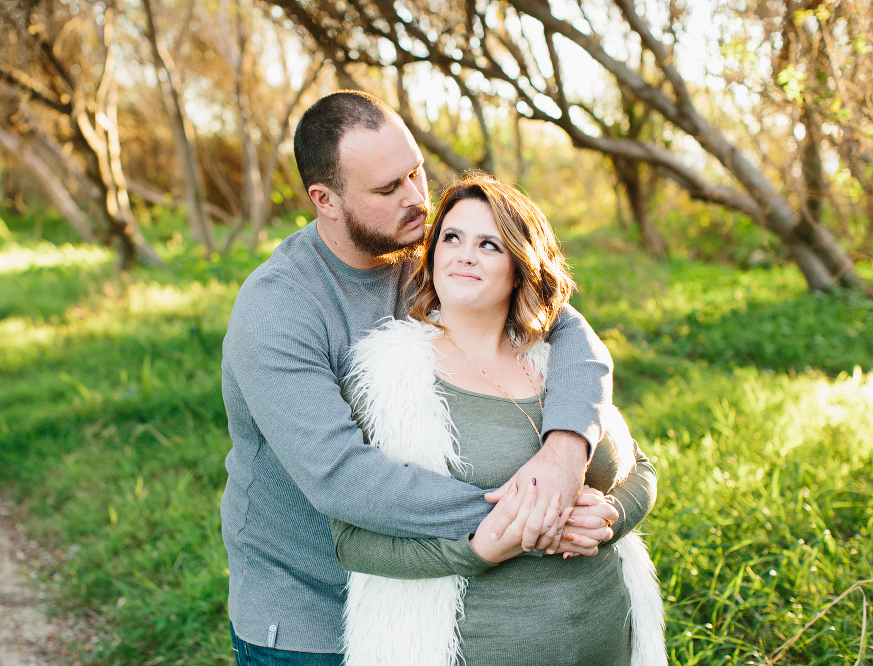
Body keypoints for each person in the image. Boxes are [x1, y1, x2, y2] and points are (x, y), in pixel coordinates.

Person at [221, 90, 615, 664]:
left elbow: (568, 330)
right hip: (310, 612)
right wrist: (537, 514)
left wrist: (564, 453)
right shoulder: (279, 310)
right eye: (388, 189)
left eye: (416, 173)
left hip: (427, 592)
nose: (416, 199)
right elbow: (342, 477)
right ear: (324, 200)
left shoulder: (430, 249)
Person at [332, 173, 665, 666]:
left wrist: (609, 518)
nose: (465, 255)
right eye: (451, 238)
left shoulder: (564, 362)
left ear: (519, 265)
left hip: (608, 638)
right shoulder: (389, 381)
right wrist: (478, 548)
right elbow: (352, 542)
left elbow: (640, 469)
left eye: (489, 244)